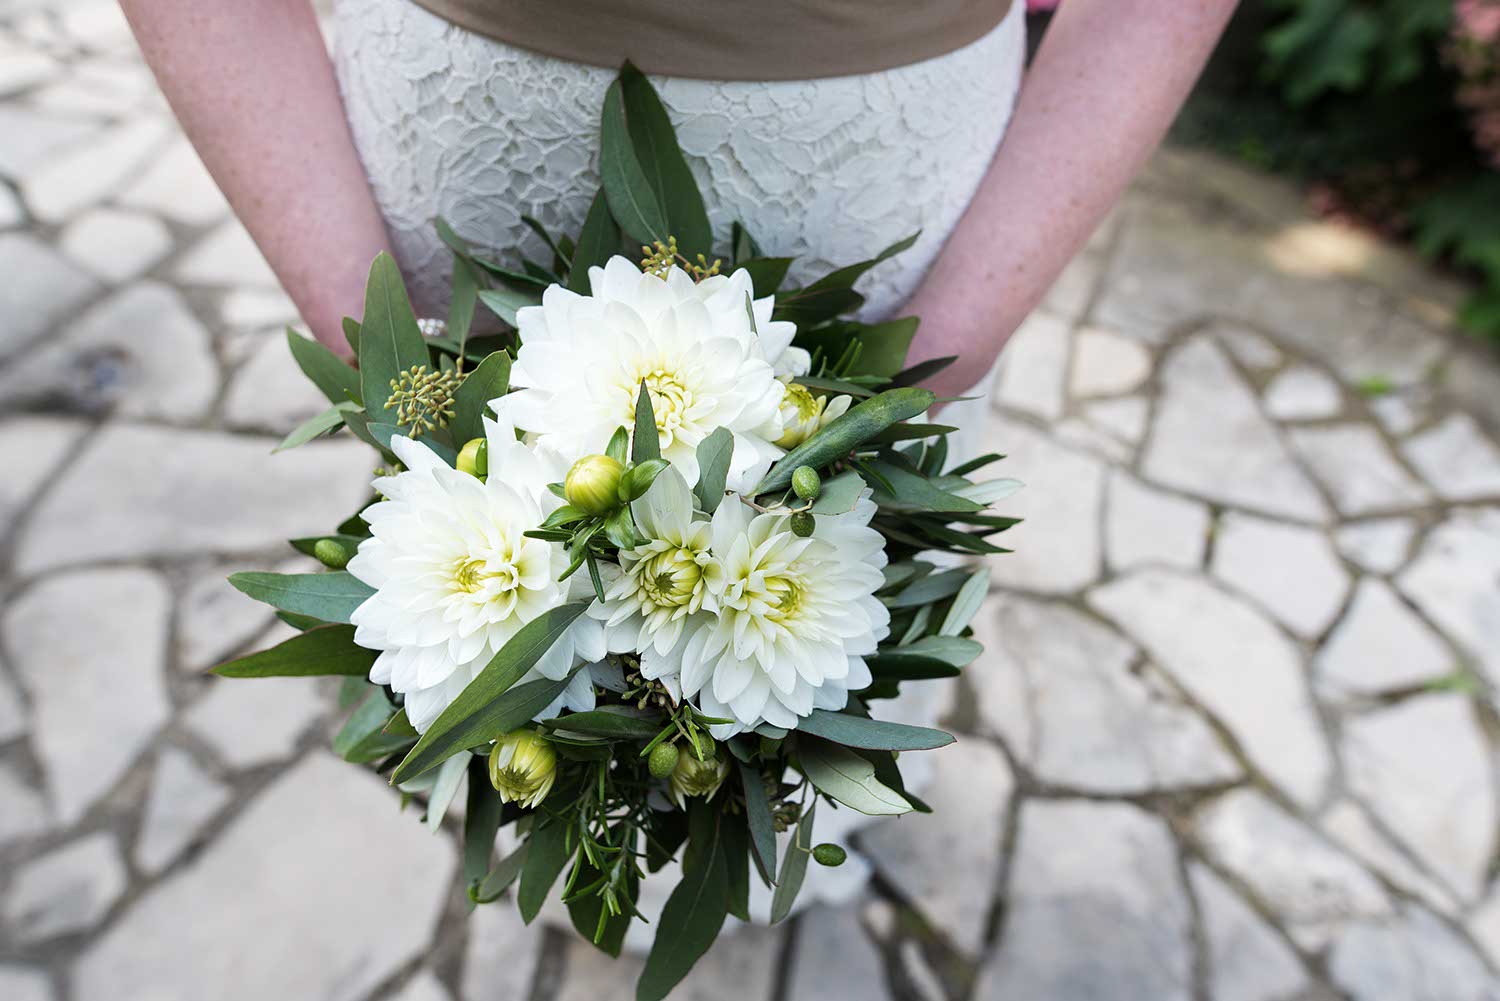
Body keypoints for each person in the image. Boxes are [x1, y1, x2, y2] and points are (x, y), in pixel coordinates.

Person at [119, 0, 1238, 406]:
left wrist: (938, 356)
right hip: (450, 176)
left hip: (888, 195)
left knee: (813, 644)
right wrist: (369, 341)